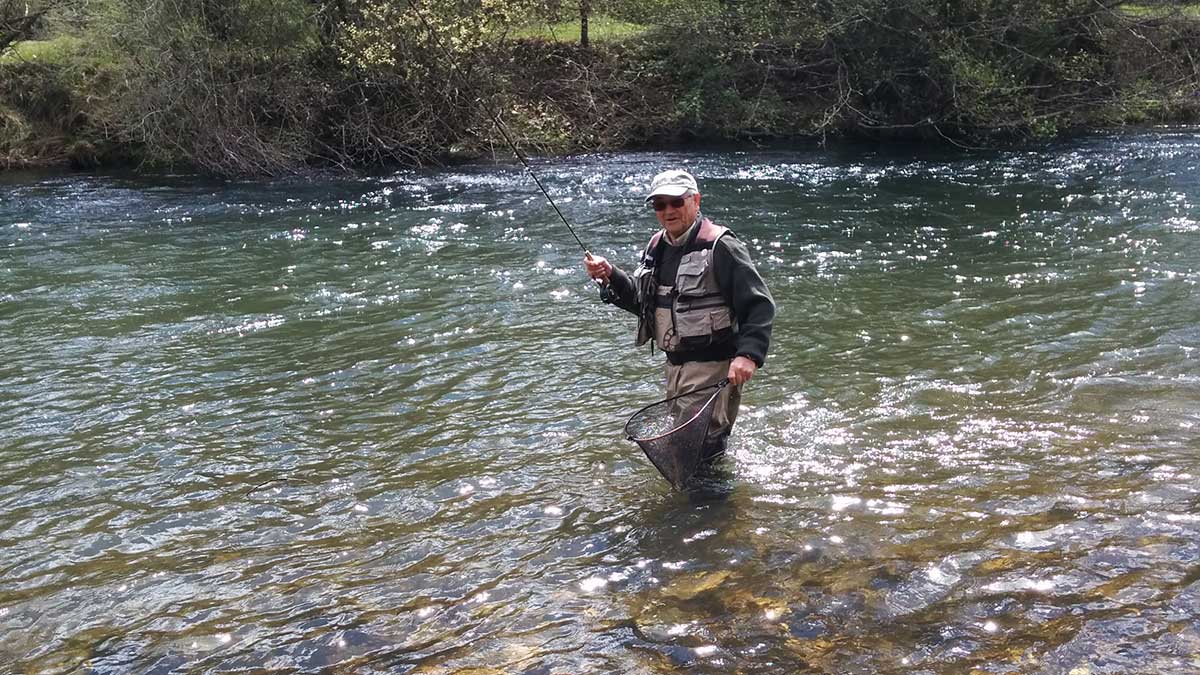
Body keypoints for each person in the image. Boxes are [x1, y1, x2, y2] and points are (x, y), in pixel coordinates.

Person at [584, 169, 775, 461]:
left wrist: (748, 355)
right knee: (691, 452)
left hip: (713, 370)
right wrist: (612, 276)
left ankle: (712, 505)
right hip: (674, 371)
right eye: (659, 205)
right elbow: (646, 304)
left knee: (699, 450)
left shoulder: (721, 246)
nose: (668, 211)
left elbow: (759, 304)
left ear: (695, 200)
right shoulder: (656, 247)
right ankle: (712, 502)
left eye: (676, 202)